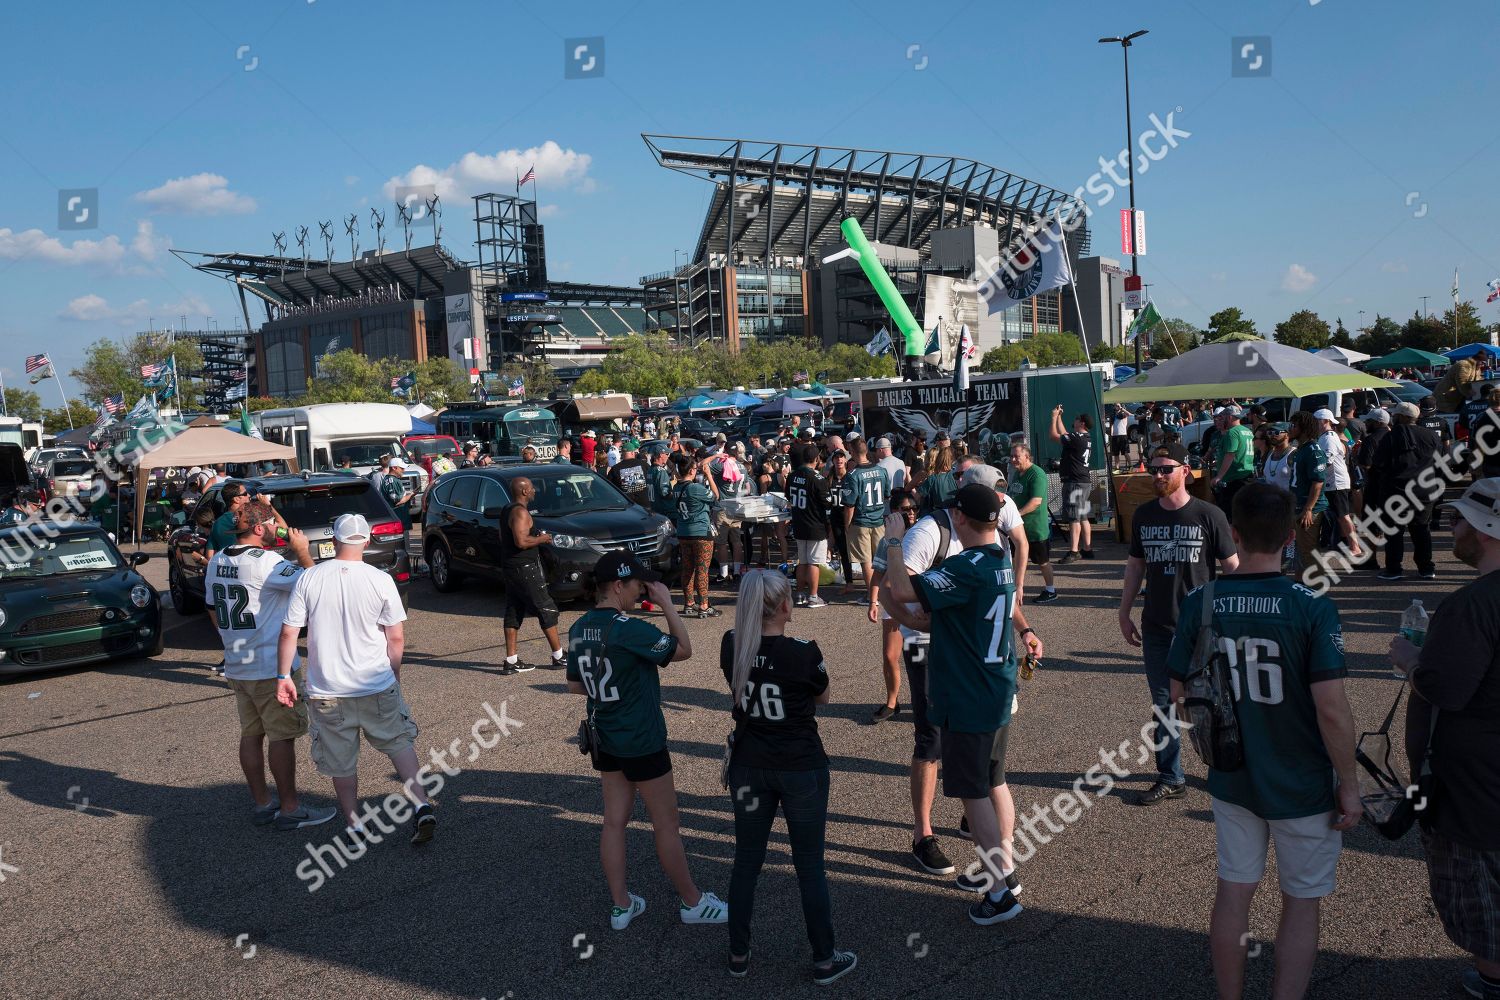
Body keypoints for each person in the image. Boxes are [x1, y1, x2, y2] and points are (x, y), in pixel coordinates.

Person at [1168, 483, 1361, 1000]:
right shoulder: (1311, 605)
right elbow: (1331, 709)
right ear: (1291, 536)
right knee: (1301, 901)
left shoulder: (1201, 600)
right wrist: (1351, 783)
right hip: (1300, 779)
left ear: (1233, 534)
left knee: (1234, 892)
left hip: (1233, 774)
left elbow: (1179, 694)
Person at [883, 484, 1042, 926]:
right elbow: (946, 613)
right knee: (994, 781)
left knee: (973, 794)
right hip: (994, 686)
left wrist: (895, 540)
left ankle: (1000, 892)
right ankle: (1003, 872)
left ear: (961, 517)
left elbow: (902, 587)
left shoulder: (967, 565)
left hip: (968, 693)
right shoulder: (1001, 560)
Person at [567, 552, 728, 931]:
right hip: (641, 736)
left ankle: (622, 905)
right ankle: (692, 902)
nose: (644, 590)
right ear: (618, 585)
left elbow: (576, 684)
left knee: (613, 822)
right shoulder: (631, 628)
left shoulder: (577, 627)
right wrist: (669, 606)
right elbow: (684, 650)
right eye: (639, 584)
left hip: (604, 735)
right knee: (666, 824)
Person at [1390, 478, 1500, 1000]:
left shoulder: (1473, 604)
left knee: (1479, 891)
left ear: (1487, 530)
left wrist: (1411, 658)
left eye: (1458, 520)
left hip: (1473, 782)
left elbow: (1444, 688)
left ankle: (1492, 979)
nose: (1450, 529)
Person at [720, 569, 855, 984]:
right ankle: (824, 958)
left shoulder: (732, 643)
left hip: (749, 765)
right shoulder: (803, 651)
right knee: (809, 866)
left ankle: (739, 954)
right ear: (782, 606)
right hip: (800, 766)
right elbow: (824, 696)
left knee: (746, 862)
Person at [276, 513, 435, 843]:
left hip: (327, 689)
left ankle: (354, 824)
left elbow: (289, 632)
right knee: (398, 742)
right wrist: (394, 673)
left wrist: (283, 677)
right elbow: (396, 637)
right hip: (375, 682)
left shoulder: (310, 578)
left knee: (341, 759)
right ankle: (421, 805)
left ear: (333, 541)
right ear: (365, 540)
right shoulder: (380, 579)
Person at [1119, 445, 1239, 806]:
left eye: (1165, 469)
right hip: (1156, 625)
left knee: (1213, 700)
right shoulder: (1143, 515)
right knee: (1164, 705)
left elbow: (1232, 568)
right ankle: (1171, 776)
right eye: (1152, 470)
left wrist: (1234, 617)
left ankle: (1226, 769)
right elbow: (1135, 566)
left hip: (1201, 629)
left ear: (1185, 470)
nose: (1157, 475)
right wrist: (1123, 612)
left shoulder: (1208, 514)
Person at [209, 499, 336, 831]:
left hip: (238, 664)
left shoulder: (217, 559)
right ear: (259, 528)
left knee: (251, 733)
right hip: (270, 665)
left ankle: (263, 803)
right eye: (271, 523)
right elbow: (315, 581)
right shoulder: (268, 562)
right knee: (283, 735)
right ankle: (291, 808)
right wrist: (302, 549)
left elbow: (211, 606)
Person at [498, 476, 565, 672]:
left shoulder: (507, 510)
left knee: (514, 610)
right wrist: (542, 538)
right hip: (523, 568)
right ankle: (559, 656)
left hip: (511, 567)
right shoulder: (520, 512)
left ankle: (511, 661)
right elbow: (521, 541)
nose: (535, 490)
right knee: (546, 608)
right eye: (532, 487)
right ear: (525, 492)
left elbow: (503, 537)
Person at [1372, 402, 1442, 581]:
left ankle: (1394, 569)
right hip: (1424, 491)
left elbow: (1378, 463)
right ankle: (1426, 568)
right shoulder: (1431, 435)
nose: (1393, 417)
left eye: (1395, 415)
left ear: (1402, 417)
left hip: (1396, 490)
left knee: (1394, 532)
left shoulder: (1391, 436)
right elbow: (1440, 461)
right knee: (1421, 530)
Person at [866, 489, 918, 724]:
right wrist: (873, 601)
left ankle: (925, 701)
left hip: (918, 602)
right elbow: (877, 573)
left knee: (920, 657)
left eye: (913, 508)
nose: (910, 513)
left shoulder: (923, 533)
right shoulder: (887, 539)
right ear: (894, 512)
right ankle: (892, 702)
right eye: (905, 509)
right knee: (889, 656)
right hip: (892, 601)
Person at [670, 453, 719, 617]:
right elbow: (715, 496)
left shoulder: (676, 488)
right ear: (691, 470)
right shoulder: (695, 488)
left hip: (683, 532)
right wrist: (709, 475)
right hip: (700, 532)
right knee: (702, 570)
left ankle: (689, 602)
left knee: (687, 569)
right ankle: (704, 605)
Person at [1008, 442, 1058, 603]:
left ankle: (1051, 590)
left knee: (1042, 562)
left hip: (1035, 528)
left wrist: (1016, 514)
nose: (1013, 459)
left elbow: (1036, 501)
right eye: (1012, 456)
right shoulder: (1017, 473)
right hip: (1018, 528)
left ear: (1027, 456)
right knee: (1015, 558)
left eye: (1017, 456)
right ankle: (1014, 587)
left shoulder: (1037, 474)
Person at [841, 439, 890, 598]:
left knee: (866, 561)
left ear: (853, 452)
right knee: (881, 561)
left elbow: (849, 505)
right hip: (879, 520)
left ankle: (871, 596)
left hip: (861, 521)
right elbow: (887, 495)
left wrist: (847, 525)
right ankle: (882, 593)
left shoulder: (853, 475)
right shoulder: (881, 470)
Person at [787, 443, 832, 609]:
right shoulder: (817, 478)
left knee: (803, 561)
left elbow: (788, 497)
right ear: (816, 459)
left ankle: (799, 594)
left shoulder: (792, 475)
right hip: (815, 525)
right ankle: (813, 596)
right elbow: (827, 502)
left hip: (799, 523)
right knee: (814, 562)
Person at [1314, 408, 1362, 558]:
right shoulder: (1325, 436)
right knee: (1339, 516)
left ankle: (1355, 546)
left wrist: (1313, 472)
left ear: (1325, 421)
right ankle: (1345, 544)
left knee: (1343, 515)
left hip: (1336, 483)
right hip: (1333, 482)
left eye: (1315, 421)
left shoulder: (1328, 437)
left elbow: (1327, 460)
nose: (1314, 425)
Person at [1287, 411, 1328, 583]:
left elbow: (1317, 482)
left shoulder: (1313, 450)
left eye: (1294, 425)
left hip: (1309, 508)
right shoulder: (1301, 449)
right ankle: (1302, 583)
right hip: (1297, 505)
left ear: (1303, 428)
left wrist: (1308, 509)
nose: (1290, 429)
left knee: (1309, 550)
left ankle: (1316, 587)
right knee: (1299, 549)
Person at [1050, 405, 1095, 563]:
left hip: (1075, 482)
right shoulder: (1085, 437)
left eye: (1076, 419)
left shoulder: (1077, 438)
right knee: (1083, 515)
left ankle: (1074, 551)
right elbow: (1065, 434)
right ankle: (1087, 549)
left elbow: (1054, 436)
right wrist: (1060, 417)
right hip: (1084, 482)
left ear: (1082, 423)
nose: (1074, 421)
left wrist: (1054, 417)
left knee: (1074, 517)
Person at [710, 443, 751, 582]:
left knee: (721, 543)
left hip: (723, 506)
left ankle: (723, 574)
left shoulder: (722, 465)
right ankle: (737, 572)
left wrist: (715, 455)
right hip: (737, 506)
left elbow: (703, 465)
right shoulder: (743, 468)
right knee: (736, 542)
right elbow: (748, 488)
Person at [1210, 406, 1255, 524]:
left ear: (1229, 417)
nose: (1221, 420)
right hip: (1247, 475)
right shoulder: (1248, 431)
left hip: (1235, 478)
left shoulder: (1232, 432)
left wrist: (1219, 476)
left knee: (1229, 516)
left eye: (1223, 417)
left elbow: (1230, 454)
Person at [608, 439, 650, 508]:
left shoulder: (615, 468)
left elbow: (610, 488)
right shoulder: (644, 464)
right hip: (645, 505)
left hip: (628, 506)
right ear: (633, 453)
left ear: (622, 453)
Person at [915, 446, 956, 515]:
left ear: (938, 459)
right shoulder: (957, 476)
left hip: (937, 516)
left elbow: (916, 497)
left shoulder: (932, 479)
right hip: (955, 515)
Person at [1110, 404, 1132, 473]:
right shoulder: (1113, 415)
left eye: (1118, 405)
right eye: (1115, 405)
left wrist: (1121, 408)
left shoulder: (1123, 414)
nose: (1117, 406)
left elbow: (1129, 414)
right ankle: (1117, 469)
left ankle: (1130, 466)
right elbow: (1111, 425)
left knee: (1125, 453)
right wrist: (1111, 434)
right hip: (1115, 436)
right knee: (1116, 454)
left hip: (1123, 436)